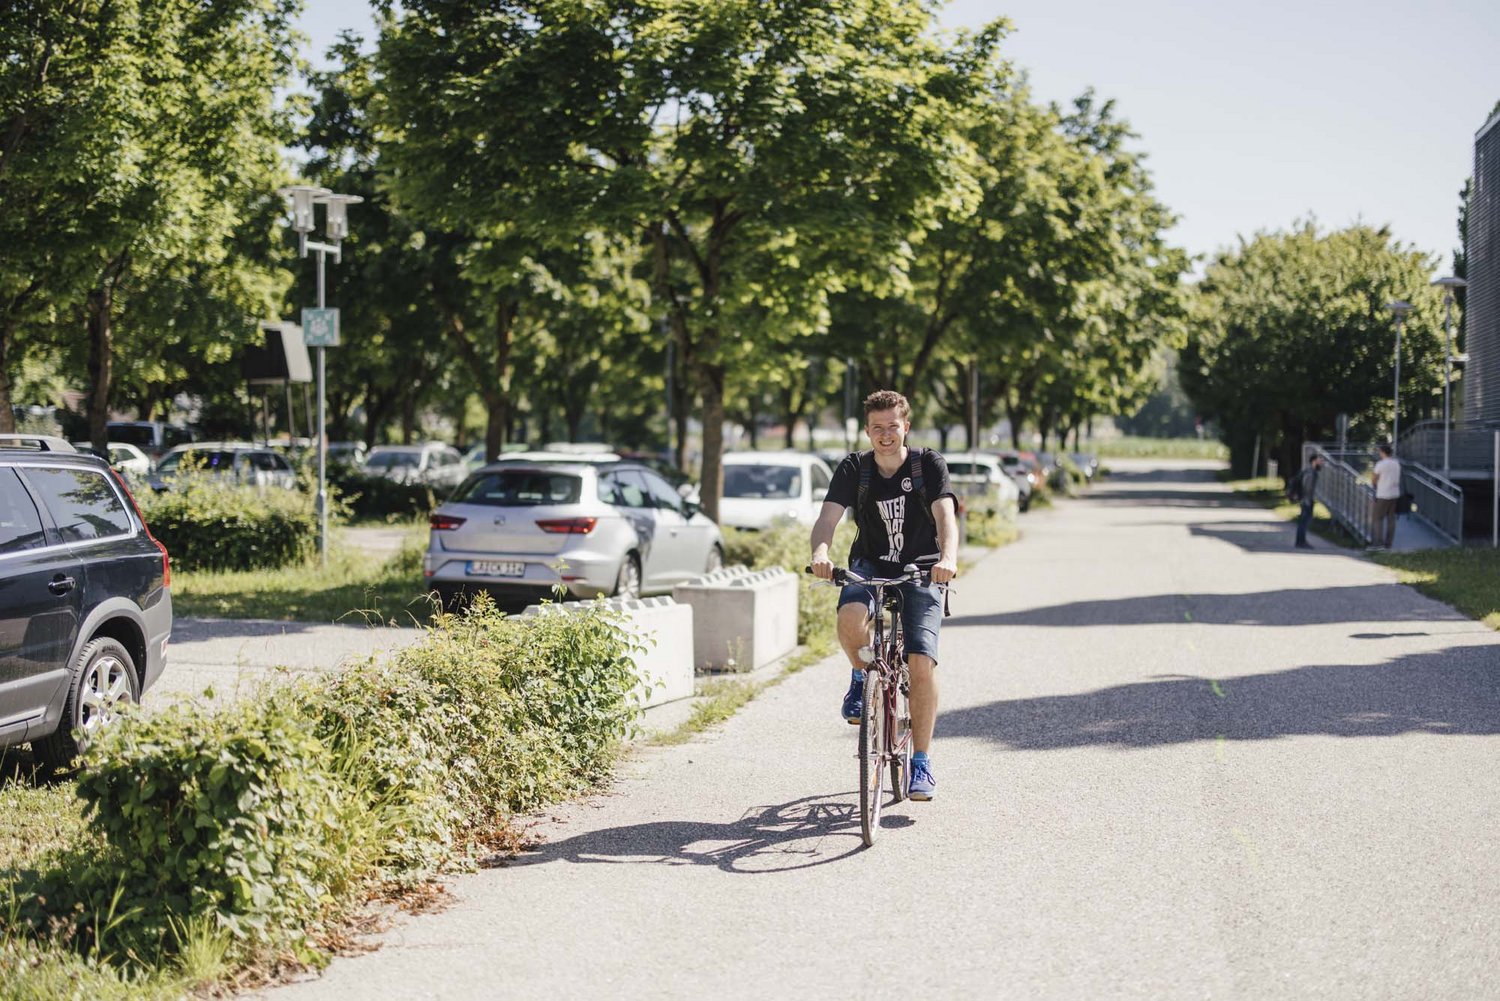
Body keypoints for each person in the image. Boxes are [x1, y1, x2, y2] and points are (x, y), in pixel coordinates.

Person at [809, 390, 958, 802]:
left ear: (905, 426)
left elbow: (945, 514)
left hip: (923, 567)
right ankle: (861, 678)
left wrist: (948, 557)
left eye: (893, 426)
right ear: (868, 431)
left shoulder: (928, 465)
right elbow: (828, 518)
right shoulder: (855, 468)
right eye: (877, 428)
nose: (885, 435)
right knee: (849, 619)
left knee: (920, 662)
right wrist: (821, 552)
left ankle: (922, 762)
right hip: (870, 563)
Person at [1370, 443, 1401, 551]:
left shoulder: (1381, 464)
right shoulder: (1396, 463)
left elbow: (1374, 477)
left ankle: (1378, 543)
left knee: (1377, 518)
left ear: (1383, 452)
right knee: (1391, 519)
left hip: (1383, 493)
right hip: (1394, 494)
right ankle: (1389, 543)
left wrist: (1374, 485)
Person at [1292, 453, 1324, 549]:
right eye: (1320, 460)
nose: (1321, 462)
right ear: (1314, 461)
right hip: (1306, 501)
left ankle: (1300, 541)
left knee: (1304, 521)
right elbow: (1307, 487)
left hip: (1306, 500)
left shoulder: (1310, 471)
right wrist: (1308, 500)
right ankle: (1300, 542)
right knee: (1304, 522)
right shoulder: (1311, 472)